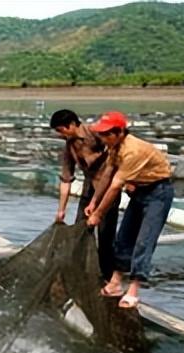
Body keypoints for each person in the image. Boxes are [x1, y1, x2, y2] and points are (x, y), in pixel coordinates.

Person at [86, 111, 174, 308]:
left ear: (120, 132)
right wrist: (93, 202)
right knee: (124, 236)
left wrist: (99, 214)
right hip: (139, 191)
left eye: (107, 134)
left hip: (158, 193)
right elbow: (107, 174)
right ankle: (115, 282)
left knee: (144, 240)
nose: (103, 138)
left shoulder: (133, 150)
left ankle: (134, 288)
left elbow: (116, 185)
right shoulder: (114, 147)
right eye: (101, 133)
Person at [49, 109, 120, 282]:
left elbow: (117, 151)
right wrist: (61, 210)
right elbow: (66, 179)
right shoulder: (69, 146)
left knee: (105, 235)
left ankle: (107, 276)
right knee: (81, 229)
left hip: (108, 189)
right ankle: (78, 271)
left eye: (61, 130)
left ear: (72, 125)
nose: (60, 134)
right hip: (89, 190)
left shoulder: (95, 133)